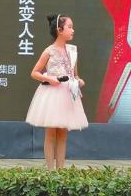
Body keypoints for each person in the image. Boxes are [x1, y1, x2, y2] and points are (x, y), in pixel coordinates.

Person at [26, 14, 88, 170]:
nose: (73, 30)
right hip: (52, 94)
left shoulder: (73, 50)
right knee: (50, 133)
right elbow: (34, 73)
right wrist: (50, 79)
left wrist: (79, 81)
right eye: (69, 27)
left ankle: (60, 171)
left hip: (67, 94)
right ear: (59, 30)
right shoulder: (49, 51)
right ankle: (50, 171)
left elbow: (75, 74)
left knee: (62, 134)